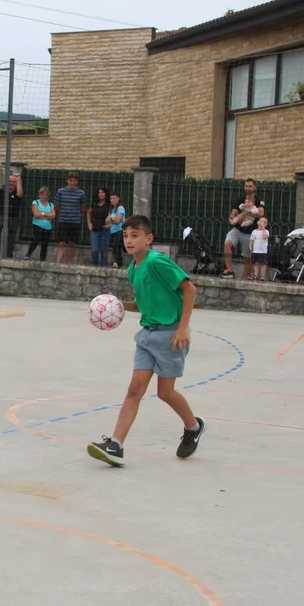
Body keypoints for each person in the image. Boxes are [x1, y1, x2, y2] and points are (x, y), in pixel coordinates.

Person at [87, 215, 205, 468]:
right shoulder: (133, 269)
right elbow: (142, 305)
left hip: (170, 335)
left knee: (165, 392)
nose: (128, 240)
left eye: (135, 235)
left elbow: (190, 289)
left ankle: (193, 427)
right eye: (125, 236)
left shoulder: (156, 261)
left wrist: (183, 328)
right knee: (134, 390)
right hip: (147, 336)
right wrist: (118, 305)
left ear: (148, 239)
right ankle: (116, 445)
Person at [222, 179, 265, 279]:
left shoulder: (259, 201)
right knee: (227, 244)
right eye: (246, 186)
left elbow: (260, 213)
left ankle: (246, 277)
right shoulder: (240, 200)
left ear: (254, 187)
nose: (247, 188)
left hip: (250, 232)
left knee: (247, 257)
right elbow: (232, 215)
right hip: (237, 229)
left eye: (250, 186)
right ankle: (229, 270)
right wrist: (239, 218)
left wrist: (245, 213)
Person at [0, 172, 23, 259]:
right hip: (2, 216)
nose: (11, 183)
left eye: (13, 181)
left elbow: (20, 194)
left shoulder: (17, 191)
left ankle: (9, 254)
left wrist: (19, 180)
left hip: (13, 217)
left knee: (11, 236)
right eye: (10, 181)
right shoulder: (2, 190)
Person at [55, 172, 86, 264]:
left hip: (75, 221)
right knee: (61, 243)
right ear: (67, 181)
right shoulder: (60, 191)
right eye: (70, 180)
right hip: (63, 220)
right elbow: (57, 206)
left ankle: (69, 263)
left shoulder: (81, 193)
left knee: (72, 243)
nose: (72, 182)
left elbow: (82, 208)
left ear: (77, 181)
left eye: (74, 180)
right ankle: (57, 262)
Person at [25, 186, 56, 261]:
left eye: (45, 194)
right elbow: (36, 214)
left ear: (48, 195)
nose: (44, 196)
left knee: (45, 243)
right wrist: (47, 216)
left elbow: (53, 215)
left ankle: (42, 259)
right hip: (37, 224)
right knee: (37, 238)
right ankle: (28, 254)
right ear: (39, 194)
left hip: (48, 226)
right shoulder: (36, 202)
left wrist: (42, 214)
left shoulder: (51, 204)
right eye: (42, 194)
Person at [88, 187, 112, 267]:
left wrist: (110, 224)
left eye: (102, 192)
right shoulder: (94, 204)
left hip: (105, 230)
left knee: (104, 251)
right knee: (94, 250)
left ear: (105, 194)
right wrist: (89, 224)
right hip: (94, 230)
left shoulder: (109, 204)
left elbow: (114, 215)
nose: (101, 194)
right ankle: (96, 267)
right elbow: (89, 213)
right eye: (99, 193)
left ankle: (103, 268)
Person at [106, 192, 126, 267]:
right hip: (113, 231)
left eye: (114, 198)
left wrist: (111, 218)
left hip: (119, 230)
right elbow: (106, 221)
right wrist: (112, 219)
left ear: (118, 199)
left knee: (116, 247)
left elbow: (118, 220)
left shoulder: (120, 208)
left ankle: (116, 262)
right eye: (111, 198)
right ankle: (118, 263)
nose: (112, 200)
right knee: (115, 247)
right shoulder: (112, 209)